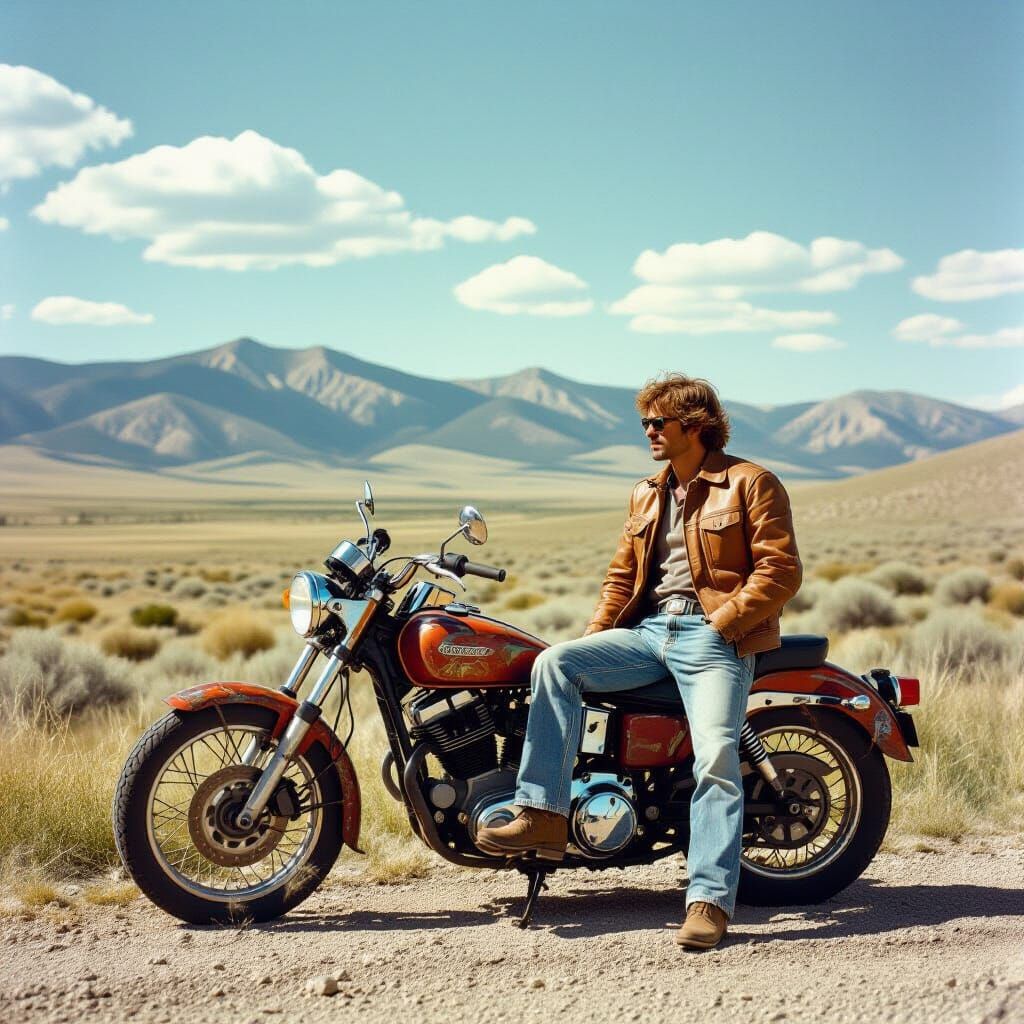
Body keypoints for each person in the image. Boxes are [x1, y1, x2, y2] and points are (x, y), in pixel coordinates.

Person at [476, 372, 802, 949]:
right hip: (648, 634)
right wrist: (594, 639)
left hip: (713, 636)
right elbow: (621, 578)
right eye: (645, 422)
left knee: (716, 756)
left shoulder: (750, 483)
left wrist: (723, 625)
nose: (648, 431)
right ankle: (544, 814)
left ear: (694, 426)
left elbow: (780, 571)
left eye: (658, 422)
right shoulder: (646, 492)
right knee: (555, 664)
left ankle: (708, 900)